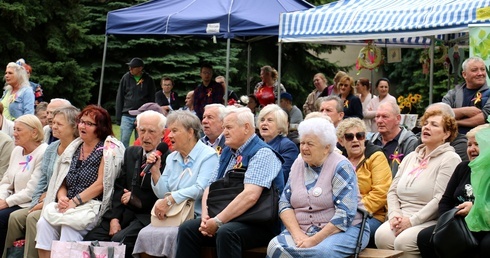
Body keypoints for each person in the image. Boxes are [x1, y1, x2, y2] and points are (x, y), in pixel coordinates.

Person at [175, 106, 284, 258]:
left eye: (229, 127)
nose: (224, 132)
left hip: (259, 222)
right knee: (188, 228)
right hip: (228, 217)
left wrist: (218, 221)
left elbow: (250, 196)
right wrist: (206, 218)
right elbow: (210, 187)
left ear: (246, 128)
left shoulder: (263, 153)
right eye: (224, 127)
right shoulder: (227, 151)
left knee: (227, 232)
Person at [267, 117, 369, 257]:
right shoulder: (298, 164)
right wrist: (298, 235)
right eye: (302, 143)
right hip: (302, 230)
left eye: (310, 144)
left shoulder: (341, 166)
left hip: (343, 229)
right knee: (275, 247)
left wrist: (313, 240)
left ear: (327, 147)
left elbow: (345, 214)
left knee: (320, 253)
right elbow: (284, 203)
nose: (304, 148)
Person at [36, 105, 125, 258]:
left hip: (91, 206)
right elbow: (62, 180)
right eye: (81, 122)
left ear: (101, 128)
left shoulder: (107, 149)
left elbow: (101, 184)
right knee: (43, 223)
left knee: (69, 227)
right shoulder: (75, 147)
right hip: (68, 204)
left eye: (89, 124)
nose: (83, 126)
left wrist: (74, 202)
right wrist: (63, 197)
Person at [374, 110, 462, 257]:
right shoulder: (411, 157)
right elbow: (392, 191)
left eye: (434, 125)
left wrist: (412, 221)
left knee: (404, 242)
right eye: (425, 124)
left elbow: (440, 198)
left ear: (446, 134)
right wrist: (394, 214)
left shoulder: (450, 158)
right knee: (381, 236)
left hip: (429, 219)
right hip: (402, 215)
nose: (426, 127)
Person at [84, 110, 170, 258]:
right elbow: (119, 188)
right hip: (124, 213)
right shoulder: (131, 152)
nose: (146, 136)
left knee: (120, 242)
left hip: (146, 216)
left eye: (151, 131)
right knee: (90, 240)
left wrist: (134, 197)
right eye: (142, 130)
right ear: (137, 130)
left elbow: (162, 196)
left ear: (163, 133)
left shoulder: (169, 159)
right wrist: (114, 219)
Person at [133, 110, 218, 258]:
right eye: (169, 131)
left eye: (174, 131)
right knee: (144, 234)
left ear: (190, 132)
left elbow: (200, 188)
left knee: (173, 235)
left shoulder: (209, 156)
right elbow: (162, 193)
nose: (169, 136)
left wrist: (170, 199)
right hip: (171, 216)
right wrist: (155, 171)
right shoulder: (172, 157)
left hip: (195, 216)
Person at [3, 107, 79, 258]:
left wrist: (45, 201)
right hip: (43, 198)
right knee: (16, 218)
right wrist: (35, 202)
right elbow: (42, 180)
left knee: (31, 218)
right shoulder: (52, 148)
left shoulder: (77, 150)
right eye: (53, 123)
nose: (54, 126)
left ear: (73, 127)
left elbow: (67, 183)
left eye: (59, 124)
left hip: (63, 201)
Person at [417, 124, 490, 258]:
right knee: (425, 237)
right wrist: (446, 224)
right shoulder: (463, 168)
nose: (472, 149)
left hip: (486, 226)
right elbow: (445, 201)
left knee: (486, 245)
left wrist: (474, 209)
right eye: (469, 145)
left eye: (477, 144)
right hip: (459, 223)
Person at [337, 118, 392, 244]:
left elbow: (381, 193)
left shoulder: (376, 156)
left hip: (371, 216)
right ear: (341, 141)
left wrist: (354, 212)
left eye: (360, 136)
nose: (355, 139)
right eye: (349, 137)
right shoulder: (338, 160)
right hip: (341, 215)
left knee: (342, 239)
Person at [0, 114, 47, 254]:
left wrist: (6, 202)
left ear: (34, 132)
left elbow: (32, 190)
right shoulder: (17, 150)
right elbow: (7, 180)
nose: (14, 133)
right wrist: (2, 198)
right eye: (14, 129)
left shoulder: (43, 152)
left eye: (19, 130)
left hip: (29, 203)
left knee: (2, 218)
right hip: (12, 200)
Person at [442, 56, 490, 134]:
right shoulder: (453, 94)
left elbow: (484, 117)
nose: (480, 73)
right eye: (474, 70)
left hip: (481, 142)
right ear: (464, 74)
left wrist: (456, 122)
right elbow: (441, 113)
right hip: (454, 140)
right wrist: (464, 111)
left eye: (483, 69)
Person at [370, 102, 419, 177]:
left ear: (398, 119)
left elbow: (410, 174)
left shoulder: (410, 143)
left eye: (385, 116)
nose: (379, 121)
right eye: (377, 116)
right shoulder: (371, 141)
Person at [116, 57, 156, 148]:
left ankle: (139, 159)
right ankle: (123, 159)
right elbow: (120, 96)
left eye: (132, 67)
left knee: (141, 141)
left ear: (140, 68)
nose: (130, 69)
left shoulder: (148, 80)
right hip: (127, 115)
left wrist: (149, 115)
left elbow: (152, 99)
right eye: (130, 67)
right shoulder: (125, 78)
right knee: (124, 140)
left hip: (142, 116)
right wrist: (119, 116)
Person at [258, 104, 299, 182]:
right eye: (262, 120)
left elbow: (283, 176)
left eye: (269, 120)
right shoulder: (255, 145)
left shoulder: (288, 146)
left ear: (280, 126)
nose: (264, 123)